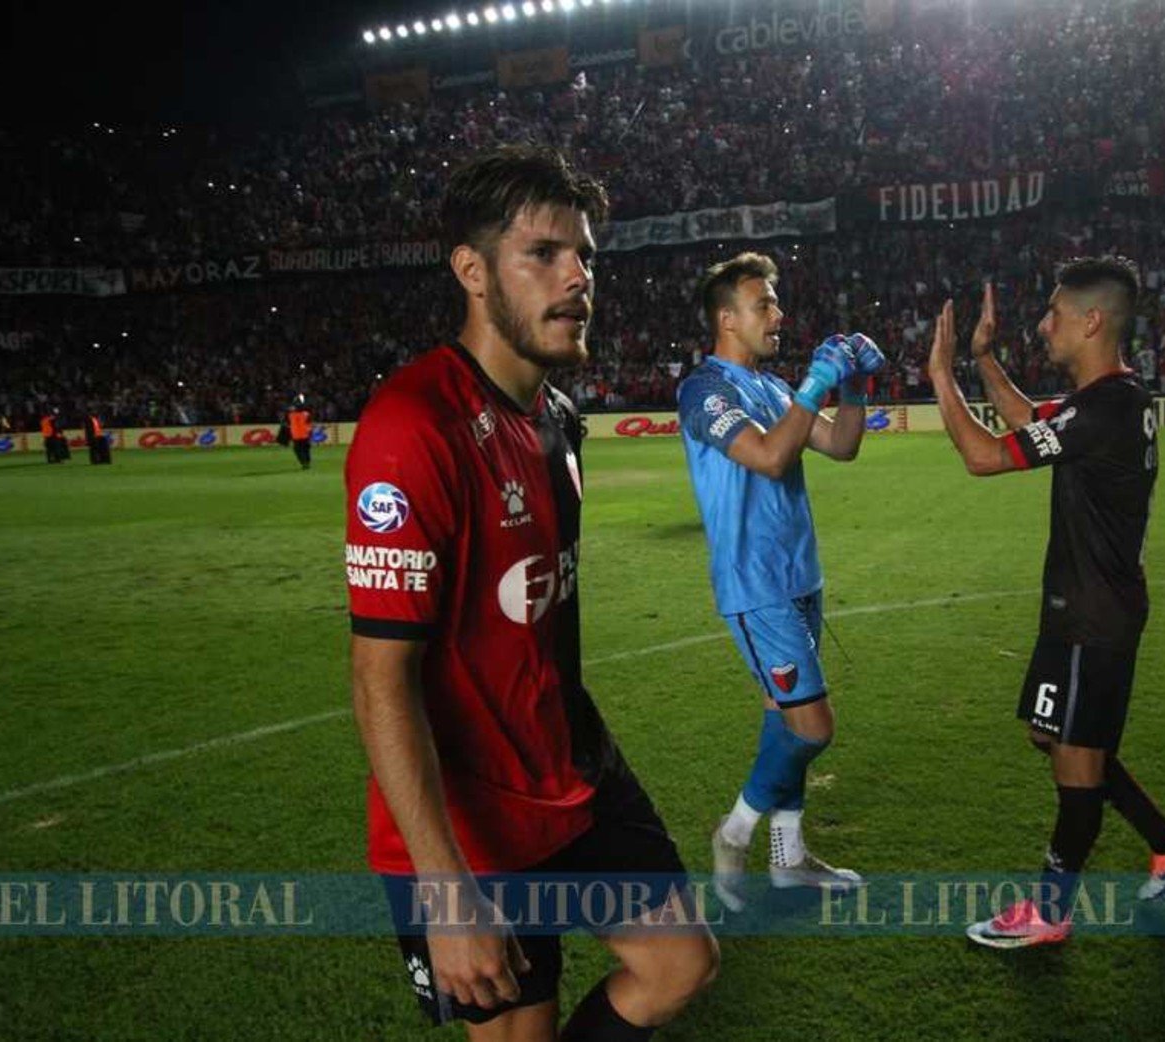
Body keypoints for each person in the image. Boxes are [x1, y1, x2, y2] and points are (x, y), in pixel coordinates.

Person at [345, 143, 715, 1042]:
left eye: (584, 254)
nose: (577, 276)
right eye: (543, 253)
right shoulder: (413, 426)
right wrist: (446, 890)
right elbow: (380, 680)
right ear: (471, 272)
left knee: (680, 963)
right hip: (472, 823)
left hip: (573, 770)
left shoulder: (558, 419)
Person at [927, 264, 1165, 949]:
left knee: (1076, 764)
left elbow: (984, 456)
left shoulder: (1106, 408)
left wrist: (940, 375)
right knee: (1052, 735)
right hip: (1081, 607)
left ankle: (1050, 912)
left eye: (1054, 313)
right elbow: (1030, 422)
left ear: (1091, 321)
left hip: (1093, 616)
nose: (1043, 324)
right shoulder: (1111, 401)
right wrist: (982, 359)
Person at [675, 251, 883, 912]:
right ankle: (735, 832)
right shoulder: (704, 391)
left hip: (800, 577)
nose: (778, 314)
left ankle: (789, 860)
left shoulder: (770, 388)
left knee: (784, 719)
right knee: (812, 729)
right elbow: (767, 457)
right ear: (726, 318)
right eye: (763, 303)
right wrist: (816, 383)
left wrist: (853, 385)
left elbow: (842, 446)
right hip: (756, 586)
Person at [287, 399, 314, 469]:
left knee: (298, 450)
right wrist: (310, 432)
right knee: (306, 450)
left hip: (296, 436)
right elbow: (310, 422)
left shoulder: (291, 415)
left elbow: (288, 413)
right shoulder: (306, 414)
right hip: (305, 435)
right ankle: (307, 462)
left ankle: (303, 462)